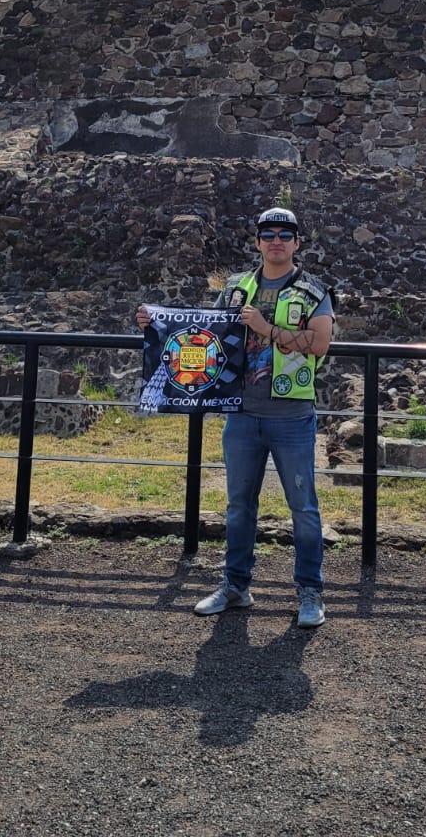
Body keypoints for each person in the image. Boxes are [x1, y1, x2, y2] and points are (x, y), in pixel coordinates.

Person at [138, 205, 335, 628]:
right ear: (258, 242)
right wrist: (155, 324)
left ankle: (310, 592)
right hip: (241, 414)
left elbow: (320, 344)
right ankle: (235, 585)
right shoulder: (235, 287)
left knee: (303, 507)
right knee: (238, 506)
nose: (277, 241)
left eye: (285, 234)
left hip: (291, 415)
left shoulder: (313, 291)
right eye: (269, 234)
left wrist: (266, 329)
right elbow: (206, 333)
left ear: (297, 242)